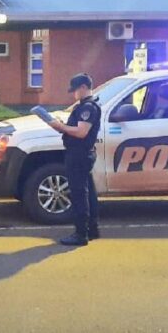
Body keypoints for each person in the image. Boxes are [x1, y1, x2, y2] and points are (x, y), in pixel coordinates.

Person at [47, 73, 102, 246]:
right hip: (82, 153)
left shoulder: (88, 108)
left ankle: (81, 234)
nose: (73, 94)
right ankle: (92, 229)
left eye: (75, 90)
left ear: (84, 88)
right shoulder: (84, 106)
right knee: (88, 192)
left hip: (78, 154)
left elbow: (81, 132)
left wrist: (60, 127)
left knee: (79, 194)